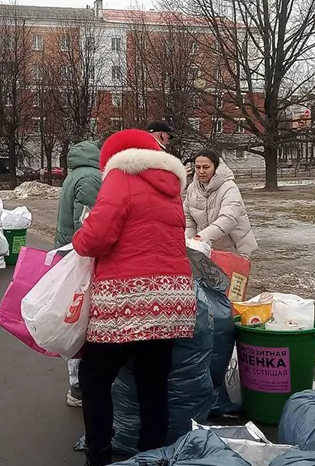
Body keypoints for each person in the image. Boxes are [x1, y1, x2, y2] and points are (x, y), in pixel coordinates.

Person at [72, 129, 196, 466]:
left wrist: (79, 239)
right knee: (152, 380)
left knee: (94, 376)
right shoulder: (170, 188)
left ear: (114, 157)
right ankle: (151, 455)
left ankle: (98, 457)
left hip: (128, 298)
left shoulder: (121, 176)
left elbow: (98, 237)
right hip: (174, 298)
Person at [54, 141, 103, 408]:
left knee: (76, 320)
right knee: (82, 323)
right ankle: (80, 386)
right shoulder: (90, 177)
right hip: (79, 257)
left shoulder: (75, 174)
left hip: (68, 253)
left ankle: (77, 384)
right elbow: (86, 223)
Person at [184, 149, 259, 257]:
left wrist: (201, 237)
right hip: (207, 248)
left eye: (206, 167)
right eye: (197, 167)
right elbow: (188, 217)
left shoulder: (229, 187)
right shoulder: (192, 188)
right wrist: (189, 241)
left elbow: (228, 218)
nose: (201, 171)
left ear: (215, 167)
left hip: (235, 249)